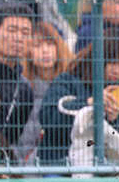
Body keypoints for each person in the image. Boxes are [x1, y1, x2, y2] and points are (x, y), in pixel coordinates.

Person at [39, 26, 119, 166]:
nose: (116, 70)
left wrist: (116, 118)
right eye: (112, 62)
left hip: (107, 170)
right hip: (61, 166)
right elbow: (47, 117)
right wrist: (90, 104)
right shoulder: (68, 80)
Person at [0, 3, 37, 163]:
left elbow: (11, 137)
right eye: (12, 30)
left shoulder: (24, 89)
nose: (18, 38)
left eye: (25, 33)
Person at [16, 20, 75, 164]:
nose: (45, 51)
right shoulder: (21, 87)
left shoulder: (72, 83)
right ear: (28, 52)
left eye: (50, 44)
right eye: (37, 46)